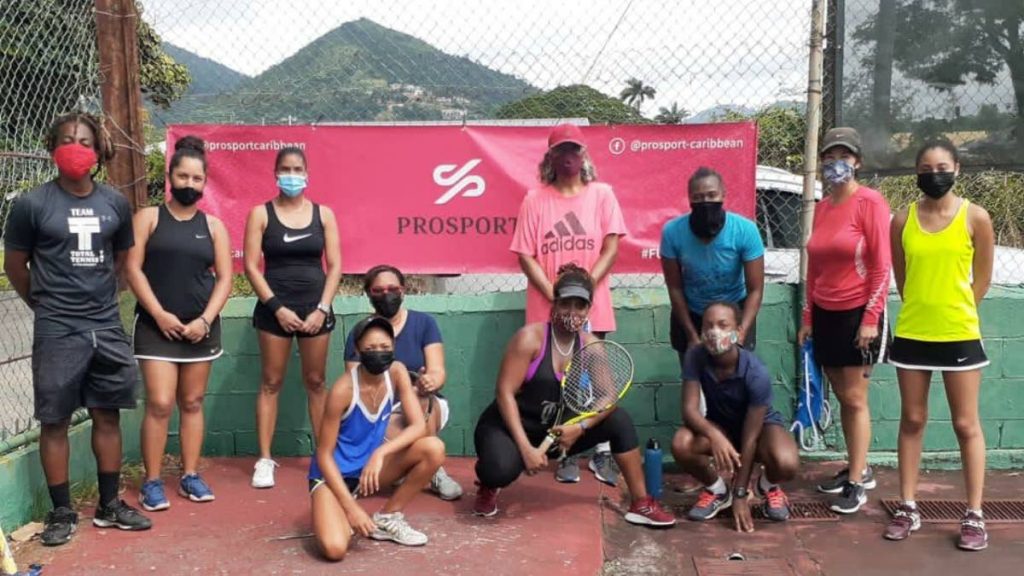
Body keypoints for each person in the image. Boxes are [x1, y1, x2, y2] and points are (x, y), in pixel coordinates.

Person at [3, 112, 152, 545]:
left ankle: (109, 504)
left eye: (85, 141)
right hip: (57, 328)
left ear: (98, 151)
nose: (76, 147)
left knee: (107, 413)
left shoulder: (114, 204)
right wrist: (44, 303)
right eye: (67, 139)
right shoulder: (32, 205)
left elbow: (125, 261)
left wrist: (102, 299)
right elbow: (16, 265)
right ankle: (62, 512)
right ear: (53, 147)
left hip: (104, 324)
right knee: (55, 420)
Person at [471, 264, 675, 528]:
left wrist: (580, 428)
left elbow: (608, 398)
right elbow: (504, 393)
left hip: (556, 433)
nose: (572, 312)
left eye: (580, 306)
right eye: (566, 303)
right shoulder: (529, 338)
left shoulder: (590, 346)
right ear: (554, 304)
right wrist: (526, 449)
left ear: (589, 309)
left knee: (619, 420)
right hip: (508, 429)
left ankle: (641, 504)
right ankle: (488, 484)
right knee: (498, 470)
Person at [884, 140, 994, 551]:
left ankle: (975, 513)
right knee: (912, 420)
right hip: (913, 333)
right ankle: (908, 506)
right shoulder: (901, 219)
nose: (935, 174)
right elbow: (902, 277)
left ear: (957, 168)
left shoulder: (976, 217)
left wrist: (958, 311)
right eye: (926, 168)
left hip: (960, 334)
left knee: (966, 424)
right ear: (917, 173)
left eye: (942, 166)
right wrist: (924, 308)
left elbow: (981, 277)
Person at [510, 123, 628, 485]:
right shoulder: (535, 199)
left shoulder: (602, 195)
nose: (568, 157)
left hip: (591, 306)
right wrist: (554, 295)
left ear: (584, 155)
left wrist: (584, 290)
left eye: (574, 150)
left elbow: (611, 246)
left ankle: (603, 453)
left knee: (597, 379)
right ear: (551, 157)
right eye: (561, 151)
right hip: (549, 306)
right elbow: (525, 255)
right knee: (560, 383)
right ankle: (567, 453)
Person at [125, 136, 232, 510]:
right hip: (156, 327)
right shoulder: (148, 218)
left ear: (205, 183)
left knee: (192, 401)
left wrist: (205, 319)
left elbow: (225, 279)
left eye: (197, 179)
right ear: (170, 176)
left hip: (200, 329)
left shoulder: (214, 226)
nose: (189, 184)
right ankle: (151, 482)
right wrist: (159, 314)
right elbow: (132, 269)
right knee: (158, 402)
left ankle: (189, 476)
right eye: (183, 176)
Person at [797, 127, 891, 515]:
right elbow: (815, 266)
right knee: (840, 394)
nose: (835, 164)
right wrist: (808, 315)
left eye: (844, 156)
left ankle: (857, 481)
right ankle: (859, 465)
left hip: (858, 313)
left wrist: (871, 318)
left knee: (854, 399)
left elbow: (882, 266)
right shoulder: (822, 206)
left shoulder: (870, 202)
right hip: (825, 313)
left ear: (857, 162)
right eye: (828, 156)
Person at [244, 147, 342, 489]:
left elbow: (336, 266)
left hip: (316, 311)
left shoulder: (324, 215)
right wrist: (276, 308)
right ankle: (265, 460)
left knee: (316, 382)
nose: (291, 174)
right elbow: (250, 267)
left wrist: (322, 309)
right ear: (275, 173)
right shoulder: (260, 214)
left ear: (307, 172)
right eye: (285, 168)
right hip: (275, 313)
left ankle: (325, 456)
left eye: (297, 168)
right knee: (271, 382)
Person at [310, 316, 445, 559]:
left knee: (433, 447)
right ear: (358, 350)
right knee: (335, 549)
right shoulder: (343, 390)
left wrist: (381, 452)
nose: (379, 353)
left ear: (393, 347)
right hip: (331, 477)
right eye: (370, 349)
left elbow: (417, 426)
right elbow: (324, 455)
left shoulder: (396, 372)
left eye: (385, 347)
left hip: (368, 472)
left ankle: (388, 516)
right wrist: (352, 509)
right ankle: (338, 507)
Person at [671, 302, 799, 532]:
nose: (714, 332)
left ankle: (767, 486)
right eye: (708, 326)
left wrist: (741, 494)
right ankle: (718, 490)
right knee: (682, 443)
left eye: (723, 325)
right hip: (721, 425)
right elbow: (689, 410)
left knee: (786, 462)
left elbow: (749, 439)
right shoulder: (695, 355)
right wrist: (715, 436)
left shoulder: (755, 372)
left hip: (760, 429)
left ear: (739, 332)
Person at [343, 265, 461, 500]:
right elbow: (358, 385)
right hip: (383, 410)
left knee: (419, 400)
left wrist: (430, 381)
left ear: (403, 290)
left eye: (392, 288)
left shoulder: (424, 323)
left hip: (426, 404)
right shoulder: (360, 331)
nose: (386, 294)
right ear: (368, 294)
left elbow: (438, 370)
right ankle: (416, 464)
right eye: (378, 290)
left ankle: (433, 470)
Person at [660, 166, 765, 356]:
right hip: (692, 312)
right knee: (694, 375)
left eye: (711, 195)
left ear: (723, 195)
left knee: (735, 377)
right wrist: (692, 335)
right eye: (698, 197)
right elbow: (674, 287)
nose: (705, 201)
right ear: (689, 198)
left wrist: (741, 332)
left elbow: (755, 289)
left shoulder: (745, 230)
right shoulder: (672, 232)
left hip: (734, 311)